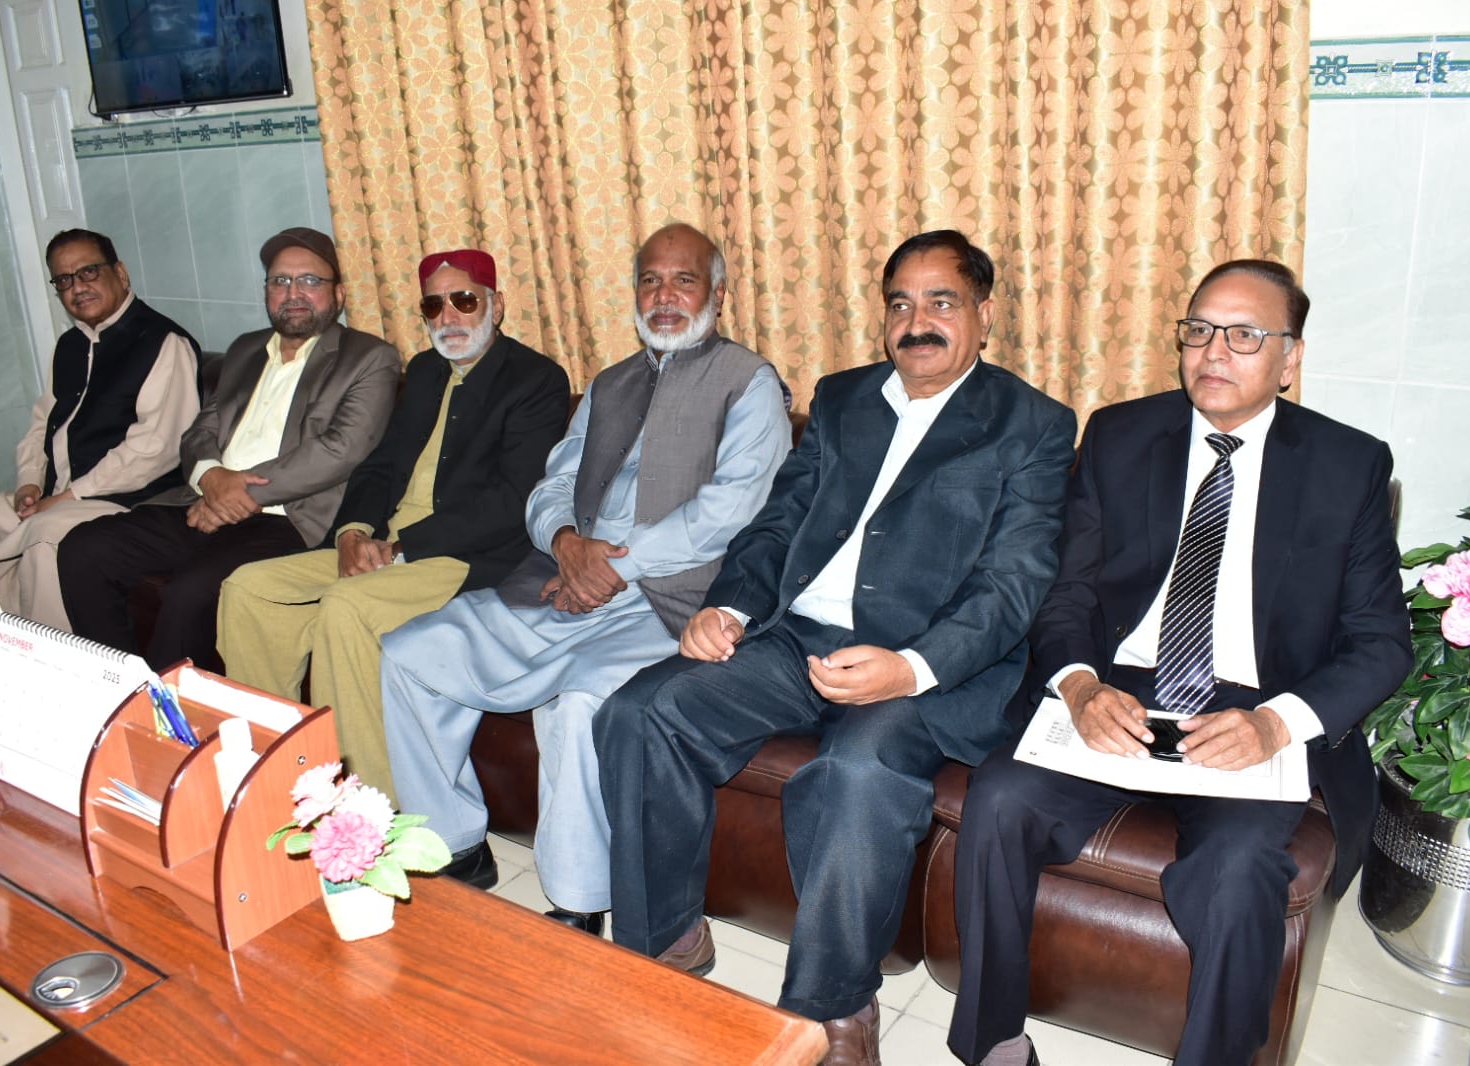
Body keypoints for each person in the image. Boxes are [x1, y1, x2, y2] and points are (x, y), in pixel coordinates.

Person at [594, 230, 1076, 1065]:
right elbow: (777, 522)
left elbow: (1013, 583)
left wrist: (911, 667)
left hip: (929, 663)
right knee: (639, 711)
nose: (916, 322)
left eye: (941, 302)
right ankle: (662, 939)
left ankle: (833, 1005)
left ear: (984, 315)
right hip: (798, 639)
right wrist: (728, 607)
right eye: (899, 304)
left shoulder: (1032, 425)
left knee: (857, 770)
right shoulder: (843, 398)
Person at [945, 260, 1412, 1066]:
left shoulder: (1348, 466)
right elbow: (1067, 592)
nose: (1213, 352)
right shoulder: (1121, 435)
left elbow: (1380, 642)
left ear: (1290, 358)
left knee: (1235, 867)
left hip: (1252, 710)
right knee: (999, 798)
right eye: (1198, 330)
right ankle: (993, 1042)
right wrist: (1079, 686)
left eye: (1243, 335)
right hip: (1119, 690)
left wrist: (1274, 725)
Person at [380, 223, 792, 935]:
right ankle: (455, 843)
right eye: (649, 281)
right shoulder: (610, 382)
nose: (664, 296)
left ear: (718, 295)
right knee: (411, 651)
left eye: (684, 280)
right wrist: (566, 543)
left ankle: (577, 901)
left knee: (579, 701)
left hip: (669, 598)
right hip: (565, 580)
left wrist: (608, 565)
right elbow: (552, 483)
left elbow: (731, 511)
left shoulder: (749, 382)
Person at [217, 249, 570, 795]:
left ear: (496, 307)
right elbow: (379, 466)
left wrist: (400, 548)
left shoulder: (535, 379)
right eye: (434, 305)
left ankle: (367, 806)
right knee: (248, 589)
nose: (448, 317)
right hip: (388, 543)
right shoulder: (425, 371)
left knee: (346, 606)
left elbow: (512, 501)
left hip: (461, 556)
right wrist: (353, 533)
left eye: (464, 300)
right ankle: (276, 777)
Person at [58, 227, 400, 669]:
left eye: (310, 281)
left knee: (191, 592)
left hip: (288, 520)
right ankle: (117, 682)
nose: (293, 293)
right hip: (202, 502)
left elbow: (340, 450)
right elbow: (199, 431)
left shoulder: (369, 358)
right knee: (83, 549)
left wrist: (239, 493)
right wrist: (211, 478)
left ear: (338, 294)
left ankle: (170, 710)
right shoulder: (246, 349)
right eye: (280, 281)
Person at [0, 229, 199, 628]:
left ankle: (43, 653)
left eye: (89, 272)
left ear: (120, 273)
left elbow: (156, 448)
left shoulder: (163, 342)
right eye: (64, 280)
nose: (77, 287)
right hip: (57, 496)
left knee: (44, 537)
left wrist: (69, 496)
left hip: (125, 503)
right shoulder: (70, 345)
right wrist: (29, 482)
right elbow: (43, 422)